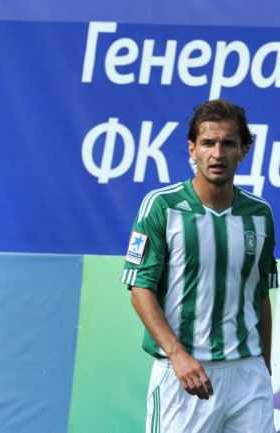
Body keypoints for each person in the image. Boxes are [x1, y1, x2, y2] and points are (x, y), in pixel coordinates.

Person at [122, 99, 277, 432]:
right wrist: (177, 354)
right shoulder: (162, 206)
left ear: (244, 150)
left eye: (228, 143)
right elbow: (140, 290)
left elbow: (260, 295)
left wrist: (265, 368)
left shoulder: (260, 214)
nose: (217, 153)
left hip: (248, 376)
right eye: (208, 142)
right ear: (192, 148)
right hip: (185, 372)